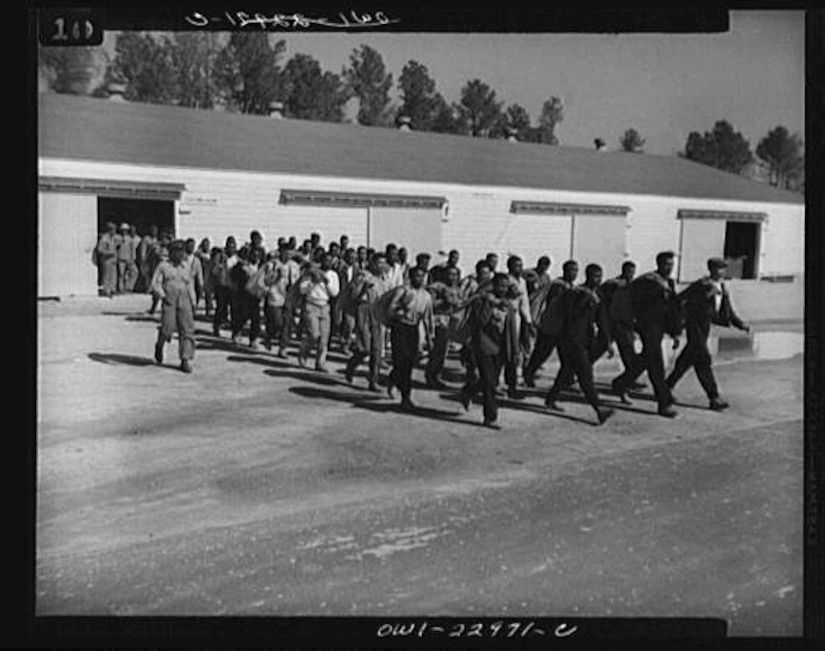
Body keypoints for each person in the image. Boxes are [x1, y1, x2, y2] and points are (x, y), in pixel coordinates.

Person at [666, 257, 750, 410]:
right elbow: (680, 299)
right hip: (695, 325)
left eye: (724, 268)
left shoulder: (722, 286)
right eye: (719, 268)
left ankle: (666, 387)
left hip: (705, 327)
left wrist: (740, 324)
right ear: (711, 269)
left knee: (687, 360)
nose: (722, 271)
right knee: (703, 360)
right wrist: (705, 296)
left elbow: (727, 309)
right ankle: (714, 397)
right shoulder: (701, 284)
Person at [611, 251, 681, 418]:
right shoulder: (648, 281)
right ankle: (664, 404)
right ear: (658, 264)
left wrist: (675, 332)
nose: (669, 268)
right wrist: (634, 323)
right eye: (666, 264)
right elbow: (636, 304)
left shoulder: (669, 283)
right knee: (656, 364)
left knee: (646, 360)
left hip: (659, 327)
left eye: (671, 265)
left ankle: (620, 383)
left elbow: (672, 308)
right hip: (648, 327)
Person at [544, 264, 615, 425]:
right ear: (587, 276)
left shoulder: (597, 295)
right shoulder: (575, 293)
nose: (597, 279)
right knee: (585, 375)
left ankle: (550, 399)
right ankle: (599, 410)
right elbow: (569, 318)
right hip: (570, 340)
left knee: (567, 370)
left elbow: (601, 320)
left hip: (584, 340)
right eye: (594, 276)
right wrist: (583, 305)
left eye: (599, 276)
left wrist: (608, 341)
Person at [459, 273, 518, 429]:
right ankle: (490, 417)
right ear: (493, 285)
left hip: (500, 348)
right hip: (484, 344)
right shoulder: (482, 300)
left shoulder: (508, 305)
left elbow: (511, 330)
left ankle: (469, 391)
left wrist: (514, 350)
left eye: (506, 286)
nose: (503, 289)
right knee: (490, 383)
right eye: (500, 286)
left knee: (490, 380)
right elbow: (480, 322)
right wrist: (489, 304)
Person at [523, 260, 579, 387]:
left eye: (576, 270)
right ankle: (529, 374)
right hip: (552, 326)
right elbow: (556, 306)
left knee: (567, 355)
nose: (574, 273)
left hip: (561, 327)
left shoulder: (569, 286)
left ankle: (567, 381)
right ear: (565, 270)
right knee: (542, 353)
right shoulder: (558, 286)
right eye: (572, 270)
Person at [386, 266, 434, 410]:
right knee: (401, 360)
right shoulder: (403, 291)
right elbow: (390, 310)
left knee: (410, 361)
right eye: (417, 276)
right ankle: (406, 397)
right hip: (400, 328)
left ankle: (393, 378)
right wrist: (401, 309)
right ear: (411, 277)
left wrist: (430, 338)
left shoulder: (426, 296)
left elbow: (428, 318)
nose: (419, 279)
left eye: (422, 276)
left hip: (413, 330)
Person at [344, 253, 392, 392]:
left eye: (384, 263)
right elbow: (354, 296)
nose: (382, 266)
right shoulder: (363, 276)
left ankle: (373, 380)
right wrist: (364, 288)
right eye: (379, 263)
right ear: (372, 263)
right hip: (364, 309)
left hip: (378, 312)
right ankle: (352, 365)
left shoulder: (384, 279)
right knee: (365, 348)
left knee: (377, 350)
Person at [589, 261, 641, 380]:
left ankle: (630, 378)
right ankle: (580, 369)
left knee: (628, 353)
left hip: (624, 324)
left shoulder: (631, 285)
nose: (631, 274)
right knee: (600, 348)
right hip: (612, 322)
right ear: (623, 271)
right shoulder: (614, 284)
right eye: (629, 272)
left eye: (633, 272)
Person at [150, 240, 197, 373]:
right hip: (169, 299)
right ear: (171, 253)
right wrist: (163, 295)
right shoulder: (163, 266)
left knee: (186, 329)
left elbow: (190, 284)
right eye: (176, 252)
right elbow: (155, 283)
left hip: (184, 299)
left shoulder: (186, 266)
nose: (180, 255)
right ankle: (160, 344)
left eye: (181, 252)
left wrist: (193, 302)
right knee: (167, 327)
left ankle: (185, 359)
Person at [297, 252, 340, 372]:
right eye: (325, 260)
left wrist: (326, 282)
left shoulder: (333, 275)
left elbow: (334, 293)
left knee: (324, 338)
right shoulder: (311, 272)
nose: (328, 263)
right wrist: (313, 282)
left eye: (330, 261)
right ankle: (303, 351)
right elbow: (302, 289)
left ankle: (320, 363)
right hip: (311, 305)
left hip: (325, 306)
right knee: (314, 334)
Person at [425, 265, 463, 389]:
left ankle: (436, 375)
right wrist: (444, 301)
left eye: (455, 275)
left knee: (443, 351)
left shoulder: (457, 288)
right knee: (437, 350)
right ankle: (431, 376)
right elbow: (429, 304)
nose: (453, 277)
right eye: (450, 274)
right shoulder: (436, 287)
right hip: (438, 320)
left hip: (450, 321)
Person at [503, 255, 535, 399]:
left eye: (521, 265)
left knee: (515, 352)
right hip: (503, 319)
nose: (520, 268)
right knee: (505, 352)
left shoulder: (522, 281)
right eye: (517, 266)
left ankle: (512, 386)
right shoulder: (505, 280)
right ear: (509, 267)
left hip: (516, 320)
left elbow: (524, 303)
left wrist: (528, 321)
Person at [262, 247, 295, 357]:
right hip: (275, 296)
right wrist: (278, 276)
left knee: (286, 324)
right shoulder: (272, 265)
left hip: (288, 298)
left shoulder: (293, 265)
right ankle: (269, 335)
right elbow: (266, 281)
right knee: (277, 322)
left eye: (289, 254)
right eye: (285, 253)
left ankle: (283, 348)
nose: (287, 256)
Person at [230, 246, 264, 349]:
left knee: (256, 319)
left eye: (258, 256)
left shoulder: (261, 268)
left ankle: (253, 339)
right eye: (254, 255)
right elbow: (233, 277)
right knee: (242, 316)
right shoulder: (242, 267)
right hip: (243, 296)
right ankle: (237, 333)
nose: (256, 257)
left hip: (256, 297)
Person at [210, 237, 239, 336]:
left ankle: (235, 331)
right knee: (221, 308)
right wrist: (221, 266)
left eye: (233, 246)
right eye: (229, 246)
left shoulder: (236, 258)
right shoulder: (220, 257)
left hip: (233, 287)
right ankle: (216, 326)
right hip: (221, 286)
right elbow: (213, 270)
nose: (231, 248)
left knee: (235, 310)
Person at [96, 222, 119, 297]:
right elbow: (99, 250)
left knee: (113, 276)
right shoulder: (104, 238)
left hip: (113, 260)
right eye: (113, 229)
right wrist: (110, 253)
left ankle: (112, 290)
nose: (115, 231)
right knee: (106, 276)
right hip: (106, 260)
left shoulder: (113, 238)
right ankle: (106, 291)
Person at [183, 238, 205, 311]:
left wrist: (201, 285)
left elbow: (199, 274)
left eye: (192, 246)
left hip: (191, 282)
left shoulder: (196, 260)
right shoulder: (182, 258)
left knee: (193, 301)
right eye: (189, 246)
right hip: (181, 281)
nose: (191, 248)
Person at [137, 225, 159, 293]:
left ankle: (152, 288)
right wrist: (143, 259)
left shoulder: (156, 239)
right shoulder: (146, 239)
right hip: (147, 259)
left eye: (156, 231)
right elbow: (143, 250)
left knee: (153, 274)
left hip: (154, 260)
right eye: (153, 231)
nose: (154, 232)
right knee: (146, 274)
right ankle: (147, 288)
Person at [195, 238, 214, 316]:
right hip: (200, 275)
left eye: (208, 245)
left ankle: (208, 310)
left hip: (208, 276)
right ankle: (193, 307)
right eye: (205, 244)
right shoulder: (198, 255)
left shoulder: (211, 254)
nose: (206, 246)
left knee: (208, 294)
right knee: (198, 293)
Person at [115, 223, 134, 294]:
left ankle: (128, 287)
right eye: (123, 230)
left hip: (128, 259)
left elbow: (132, 250)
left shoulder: (130, 239)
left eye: (126, 230)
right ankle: (120, 288)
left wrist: (132, 259)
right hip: (120, 259)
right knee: (121, 274)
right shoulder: (117, 238)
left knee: (131, 273)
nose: (124, 231)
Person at [125, 225, 141, 292]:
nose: (132, 232)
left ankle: (129, 287)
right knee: (128, 273)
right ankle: (128, 287)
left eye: (133, 231)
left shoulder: (138, 239)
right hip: (127, 258)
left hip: (135, 258)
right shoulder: (126, 238)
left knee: (134, 272)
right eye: (131, 231)